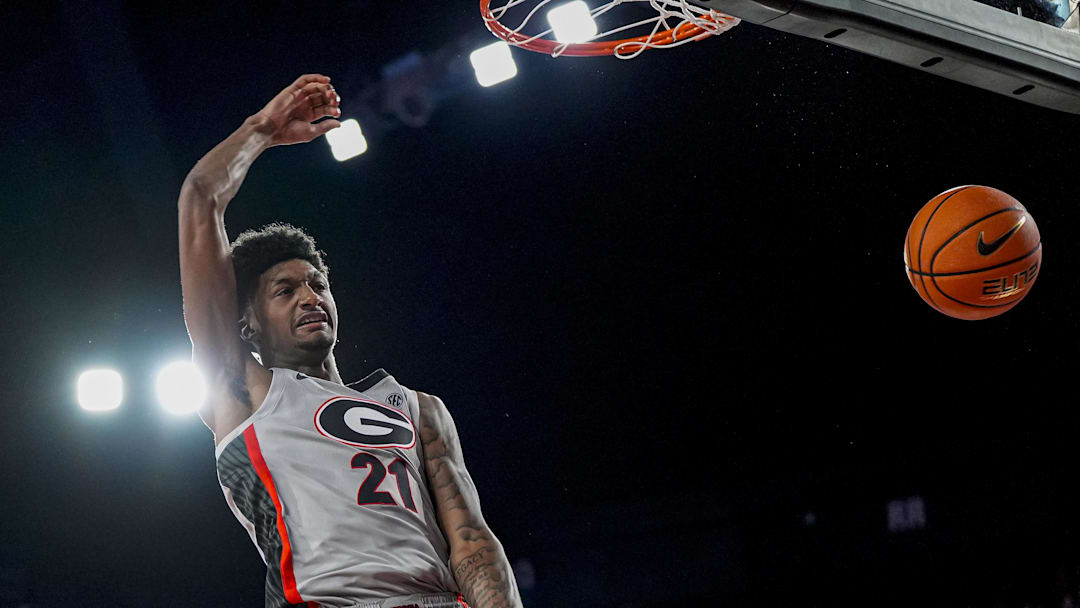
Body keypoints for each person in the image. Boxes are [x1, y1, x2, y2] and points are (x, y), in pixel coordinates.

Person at [177, 73, 522, 608]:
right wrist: (262, 129)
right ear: (247, 324)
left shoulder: (418, 408)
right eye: (285, 290)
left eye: (318, 284)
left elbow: (472, 542)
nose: (309, 297)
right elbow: (200, 199)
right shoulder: (242, 391)